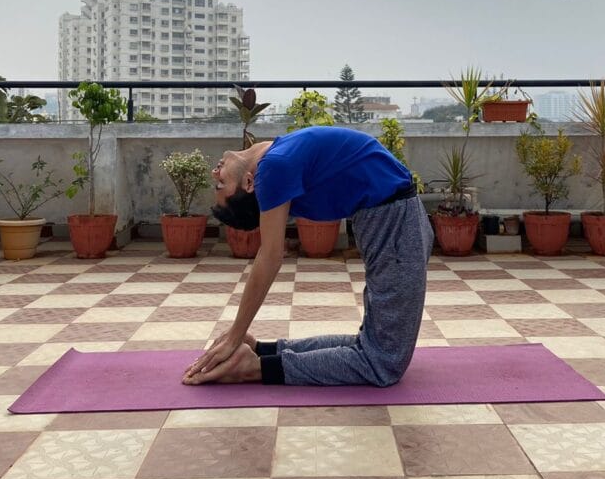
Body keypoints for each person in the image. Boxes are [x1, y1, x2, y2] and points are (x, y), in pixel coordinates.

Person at [182, 126, 434, 387]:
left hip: (392, 219)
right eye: (220, 183)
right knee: (382, 363)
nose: (215, 172)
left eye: (219, 182)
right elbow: (270, 255)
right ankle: (254, 368)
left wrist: (238, 336)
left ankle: (261, 352)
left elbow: (270, 252)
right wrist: (235, 334)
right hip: (393, 221)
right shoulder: (273, 167)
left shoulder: (273, 157)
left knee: (373, 348)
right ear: (249, 183)